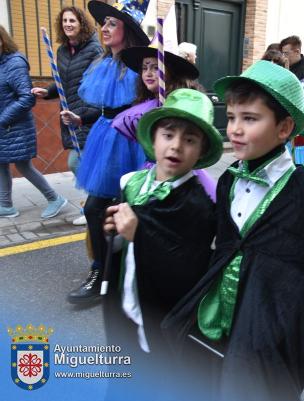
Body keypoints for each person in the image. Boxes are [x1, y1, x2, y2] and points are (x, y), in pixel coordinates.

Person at [162, 61, 304, 401]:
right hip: (215, 320)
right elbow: (214, 244)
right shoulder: (228, 181)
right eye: (233, 116)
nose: (235, 129)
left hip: (260, 336)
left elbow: (302, 287)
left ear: (284, 128)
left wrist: (271, 340)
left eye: (250, 119)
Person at [102, 89, 222, 400]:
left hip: (160, 319)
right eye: (168, 134)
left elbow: (186, 267)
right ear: (154, 139)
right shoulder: (130, 183)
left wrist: (140, 234)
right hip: (125, 304)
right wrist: (113, 234)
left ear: (200, 152)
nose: (176, 146)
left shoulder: (198, 206)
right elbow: (118, 247)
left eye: (190, 140)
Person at [67, 0, 150, 304]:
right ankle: (100, 270)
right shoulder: (103, 63)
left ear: (127, 31)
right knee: (94, 209)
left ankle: (131, 272)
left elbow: (151, 106)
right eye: (103, 23)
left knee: (132, 210)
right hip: (106, 138)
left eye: (112, 23)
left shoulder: (143, 67)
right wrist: (81, 118)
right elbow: (106, 106)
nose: (104, 28)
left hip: (133, 141)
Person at [114, 34, 217, 200]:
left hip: (179, 171)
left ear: (171, 71)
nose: (148, 73)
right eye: (145, 67)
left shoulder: (183, 102)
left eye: (156, 67)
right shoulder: (142, 106)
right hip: (153, 170)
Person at [0, 25, 68, 219]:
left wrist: (3, 119)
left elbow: (26, 98)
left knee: (23, 165)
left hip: (15, 125)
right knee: (1, 162)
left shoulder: (14, 62)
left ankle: (54, 198)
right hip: (4, 125)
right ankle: (5, 205)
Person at [31, 6, 103, 176]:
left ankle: (98, 199)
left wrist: (86, 115)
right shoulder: (62, 50)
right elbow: (64, 80)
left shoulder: (94, 49)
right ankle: (96, 198)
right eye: (64, 21)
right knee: (84, 165)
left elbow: (98, 85)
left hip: (88, 115)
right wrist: (47, 92)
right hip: (69, 113)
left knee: (76, 163)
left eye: (72, 20)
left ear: (81, 24)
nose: (67, 24)